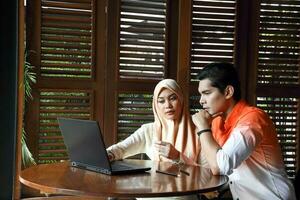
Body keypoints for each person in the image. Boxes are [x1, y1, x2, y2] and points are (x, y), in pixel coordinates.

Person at [192, 62, 296, 200]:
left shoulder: (253, 119)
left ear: (228, 92)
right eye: (200, 94)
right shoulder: (217, 121)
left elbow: (219, 166)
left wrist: (203, 128)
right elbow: (211, 165)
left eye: (207, 93)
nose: (201, 101)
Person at [107, 79, 206, 200]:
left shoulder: (199, 130)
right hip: (151, 194)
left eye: (173, 98)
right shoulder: (149, 130)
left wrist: (178, 156)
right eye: (161, 101)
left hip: (184, 196)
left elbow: (207, 174)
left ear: (181, 100)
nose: (167, 105)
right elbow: (121, 149)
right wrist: (109, 154)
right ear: (155, 104)